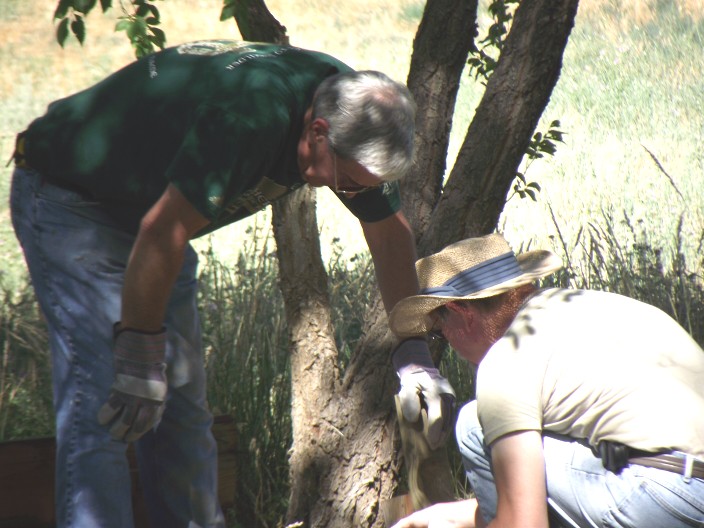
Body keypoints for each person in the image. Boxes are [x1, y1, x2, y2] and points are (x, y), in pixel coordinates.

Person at [9, 39, 455, 528]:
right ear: (318, 132)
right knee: (108, 407)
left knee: (181, 414)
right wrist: (138, 351)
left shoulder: (365, 118)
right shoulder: (250, 117)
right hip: (74, 201)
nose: (344, 193)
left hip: (156, 222)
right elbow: (163, 231)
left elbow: (390, 235)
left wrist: (414, 352)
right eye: (346, 181)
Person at [388, 233, 704, 528]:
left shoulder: (506, 361)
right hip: (684, 480)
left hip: (666, 492)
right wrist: (460, 515)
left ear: (461, 313)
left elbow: (526, 523)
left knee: (473, 423)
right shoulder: (593, 305)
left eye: (439, 330)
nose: (448, 344)